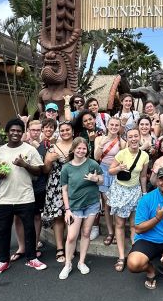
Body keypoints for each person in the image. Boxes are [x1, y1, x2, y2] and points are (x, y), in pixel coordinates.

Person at [0, 119, 46, 277]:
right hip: (4, 198)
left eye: (18, 131)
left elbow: (39, 172)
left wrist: (25, 164)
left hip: (25, 196)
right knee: (3, 230)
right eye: (12, 130)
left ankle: (31, 258)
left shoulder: (29, 150)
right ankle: (3, 261)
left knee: (29, 229)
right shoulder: (0, 151)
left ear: (23, 133)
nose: (15, 133)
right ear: (7, 132)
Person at [58, 138, 104, 279]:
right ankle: (68, 264)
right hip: (74, 206)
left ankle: (81, 262)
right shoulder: (66, 168)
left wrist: (95, 179)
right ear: (73, 149)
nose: (81, 151)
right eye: (78, 148)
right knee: (71, 236)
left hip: (92, 203)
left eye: (84, 148)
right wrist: (67, 209)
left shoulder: (92, 164)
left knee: (86, 233)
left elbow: (102, 179)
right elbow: (64, 190)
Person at [107, 129, 149, 272]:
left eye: (135, 136)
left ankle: (133, 252)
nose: (133, 139)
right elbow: (110, 171)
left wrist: (144, 193)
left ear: (139, 137)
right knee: (119, 224)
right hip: (120, 191)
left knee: (134, 224)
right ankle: (121, 256)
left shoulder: (144, 155)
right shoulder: (121, 153)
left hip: (135, 191)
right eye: (130, 136)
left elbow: (143, 176)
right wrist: (118, 168)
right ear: (127, 138)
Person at [42, 121, 74, 264]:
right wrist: (49, 161)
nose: (65, 132)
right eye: (62, 130)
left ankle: (70, 245)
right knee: (58, 217)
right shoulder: (52, 148)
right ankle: (60, 248)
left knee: (72, 217)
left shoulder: (78, 144)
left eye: (68, 129)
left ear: (72, 131)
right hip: (56, 185)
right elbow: (45, 170)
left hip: (74, 185)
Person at [93, 117, 126, 245]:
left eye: (116, 125)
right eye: (111, 124)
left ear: (119, 127)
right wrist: (103, 143)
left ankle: (118, 231)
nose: (113, 127)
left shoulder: (122, 142)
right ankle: (110, 231)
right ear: (107, 125)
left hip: (116, 171)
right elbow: (96, 157)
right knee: (107, 203)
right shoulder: (99, 139)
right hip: (103, 170)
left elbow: (123, 159)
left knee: (116, 203)